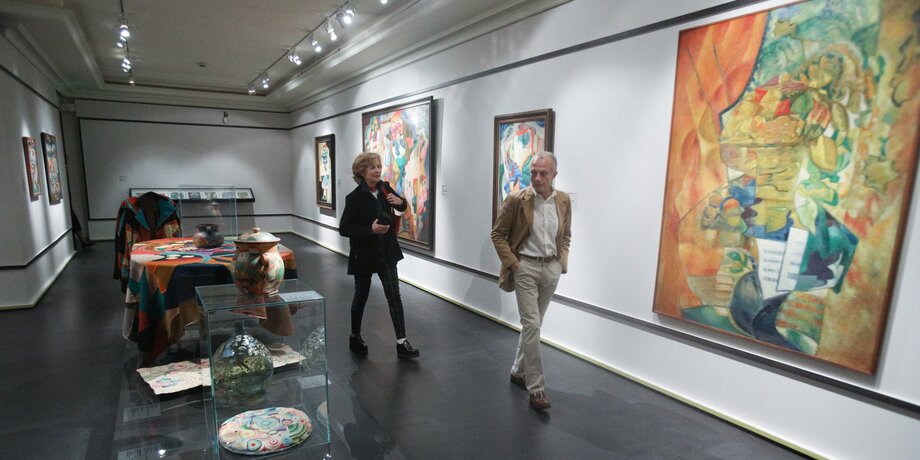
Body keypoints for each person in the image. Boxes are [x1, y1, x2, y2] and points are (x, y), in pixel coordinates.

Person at [491, 151, 571, 410]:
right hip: (525, 266)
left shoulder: (563, 200)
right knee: (532, 324)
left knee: (533, 325)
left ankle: (518, 371)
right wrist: (514, 264)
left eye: (543, 173)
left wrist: (561, 262)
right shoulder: (517, 199)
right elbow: (498, 234)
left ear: (554, 175)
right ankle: (536, 387)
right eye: (533, 172)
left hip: (551, 269)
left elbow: (566, 235)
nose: (537, 178)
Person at [339, 152, 420, 360]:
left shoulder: (385, 188)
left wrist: (400, 201)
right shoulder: (354, 198)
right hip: (364, 255)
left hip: (386, 252)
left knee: (394, 296)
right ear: (361, 171)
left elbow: (402, 206)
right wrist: (370, 229)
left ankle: (402, 342)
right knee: (361, 296)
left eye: (378, 166)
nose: (377, 170)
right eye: (372, 167)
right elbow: (344, 228)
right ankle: (355, 336)